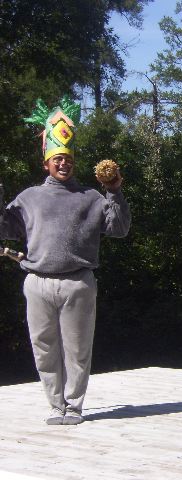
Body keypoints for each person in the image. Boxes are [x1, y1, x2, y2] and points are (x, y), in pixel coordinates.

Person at [0, 96, 131, 425]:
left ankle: (73, 406)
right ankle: (55, 406)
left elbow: (119, 228)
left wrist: (115, 191)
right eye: (57, 159)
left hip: (77, 283)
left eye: (68, 159)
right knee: (43, 348)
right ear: (46, 162)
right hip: (37, 282)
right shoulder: (29, 197)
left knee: (77, 348)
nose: (63, 164)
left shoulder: (90, 197)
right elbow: (5, 229)